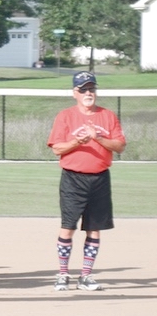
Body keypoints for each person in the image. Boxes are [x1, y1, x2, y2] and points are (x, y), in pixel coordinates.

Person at [47, 71, 126, 292]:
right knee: (68, 226)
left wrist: (98, 138)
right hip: (73, 178)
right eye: (83, 89)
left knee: (94, 228)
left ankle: (86, 276)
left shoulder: (108, 116)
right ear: (75, 93)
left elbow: (120, 146)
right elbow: (56, 148)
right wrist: (76, 141)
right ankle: (63, 274)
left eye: (91, 88)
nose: (88, 93)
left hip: (99, 178)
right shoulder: (65, 116)